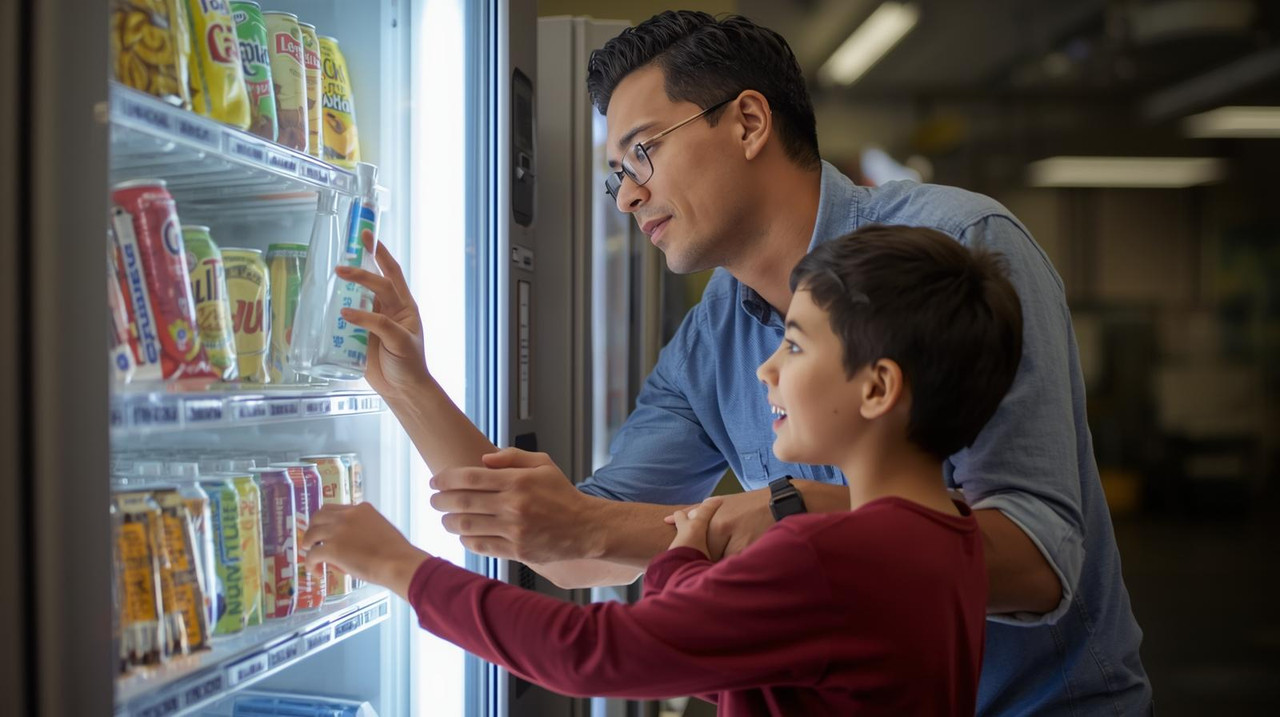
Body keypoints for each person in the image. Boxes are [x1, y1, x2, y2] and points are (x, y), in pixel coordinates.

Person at [327, 11, 1150, 715]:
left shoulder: (956, 250)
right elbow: (569, 544)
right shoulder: (713, 334)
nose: (624, 195)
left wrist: (787, 513)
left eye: (643, 151)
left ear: (750, 122)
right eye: (615, 171)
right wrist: (408, 382)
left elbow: (1043, 565)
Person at [304, 225, 1022, 715]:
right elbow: (744, 656)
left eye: (796, 347)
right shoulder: (951, 536)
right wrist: (408, 383)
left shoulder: (825, 555)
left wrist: (401, 566)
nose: (766, 369)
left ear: (877, 388)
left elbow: (592, 654)